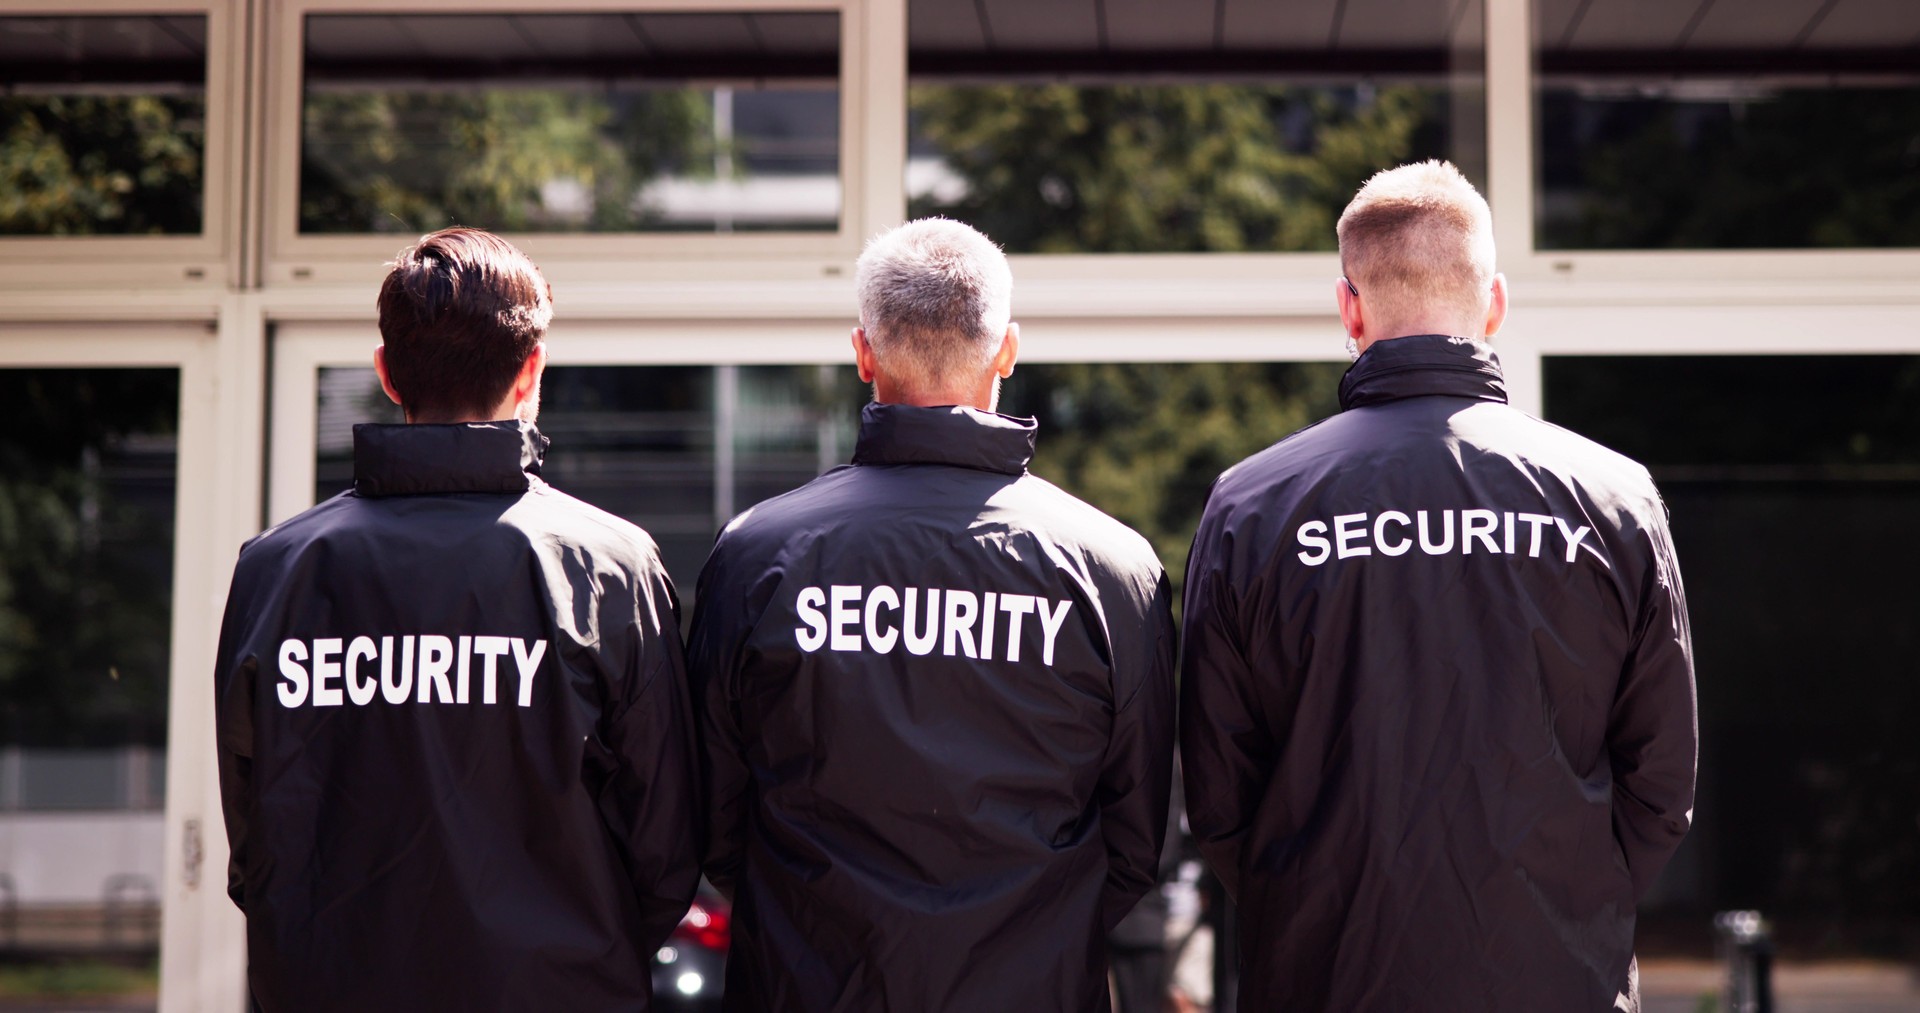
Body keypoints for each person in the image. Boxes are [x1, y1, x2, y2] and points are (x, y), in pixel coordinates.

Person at [1180, 161, 1696, 1012]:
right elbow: (1663, 780)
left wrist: (1313, 909)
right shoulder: (1613, 499)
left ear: (1349, 308)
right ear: (1494, 303)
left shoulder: (1255, 505)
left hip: (1328, 980)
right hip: (1555, 982)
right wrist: (1564, 908)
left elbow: (1218, 793)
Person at [688, 218, 1177, 1012]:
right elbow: (1135, 839)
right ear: (1008, 352)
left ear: (864, 353)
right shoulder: (1111, 568)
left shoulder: (758, 554)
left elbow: (714, 822)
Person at [213, 227, 700, 1011]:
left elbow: (256, 832)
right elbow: (667, 845)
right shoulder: (608, 567)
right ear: (531, 370)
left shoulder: (277, 569)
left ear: (386, 375)